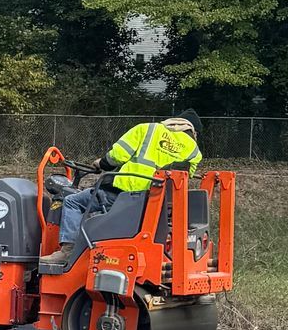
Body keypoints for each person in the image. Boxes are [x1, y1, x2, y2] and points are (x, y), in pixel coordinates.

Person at [42, 116, 203, 272]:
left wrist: (101, 163)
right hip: (154, 203)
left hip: (122, 194)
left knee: (72, 201)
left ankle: (67, 252)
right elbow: (182, 180)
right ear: (191, 131)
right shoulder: (194, 151)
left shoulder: (148, 129)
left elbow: (118, 155)